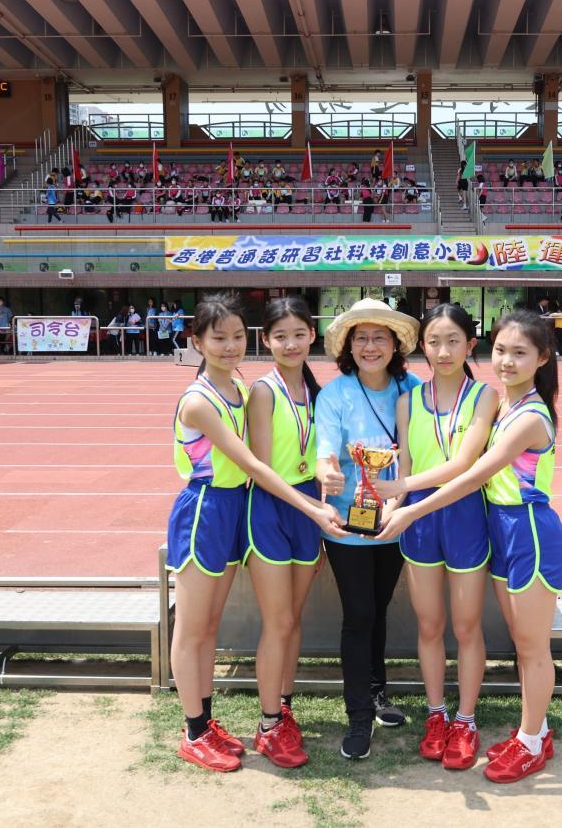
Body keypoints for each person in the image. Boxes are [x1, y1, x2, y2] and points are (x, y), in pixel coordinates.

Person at [376, 310, 562, 784]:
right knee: (516, 640)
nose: (506, 361)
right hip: (499, 525)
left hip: (525, 528)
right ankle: (531, 732)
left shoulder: (521, 413)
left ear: (543, 358)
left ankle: (524, 738)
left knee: (530, 646)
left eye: (519, 352)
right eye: (502, 351)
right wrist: (394, 502)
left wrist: (407, 501)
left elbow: (471, 472)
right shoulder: (508, 406)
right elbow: (414, 459)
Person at [167, 294, 342, 773]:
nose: (229, 346)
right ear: (197, 342)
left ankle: (207, 721)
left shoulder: (239, 389)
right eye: (218, 338)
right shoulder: (200, 401)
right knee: (193, 628)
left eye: (237, 337)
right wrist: (313, 507)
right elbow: (253, 465)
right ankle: (194, 730)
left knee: (211, 625)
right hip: (206, 508)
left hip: (235, 508)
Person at [371, 304, 498, 771]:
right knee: (429, 625)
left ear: (470, 344)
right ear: (421, 347)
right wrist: (390, 508)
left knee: (466, 626)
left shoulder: (485, 395)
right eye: (434, 342)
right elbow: (404, 462)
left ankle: (465, 719)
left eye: (453, 341)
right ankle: (437, 713)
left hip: (464, 513)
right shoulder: (408, 401)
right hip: (420, 521)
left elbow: (464, 464)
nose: (443, 351)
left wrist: (402, 490)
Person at [314, 298, 422, 760]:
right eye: (361, 338)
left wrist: (398, 503)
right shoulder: (334, 394)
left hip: (396, 521)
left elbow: (417, 452)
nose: (370, 346)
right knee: (358, 615)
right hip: (347, 525)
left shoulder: (412, 389)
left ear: (396, 345)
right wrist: (327, 472)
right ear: (349, 346)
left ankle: (378, 693)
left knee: (377, 609)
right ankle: (358, 715)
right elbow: (325, 451)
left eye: (380, 337)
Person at [244, 298, 326, 769]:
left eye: (298, 334)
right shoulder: (263, 391)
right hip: (273, 509)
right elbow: (260, 468)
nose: (290, 344)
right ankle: (268, 723)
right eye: (280, 336)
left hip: (307, 507)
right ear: (267, 340)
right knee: (277, 622)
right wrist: (310, 507)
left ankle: (284, 707)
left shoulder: (316, 391)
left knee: (292, 619)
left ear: (312, 335)